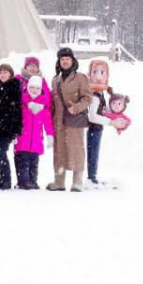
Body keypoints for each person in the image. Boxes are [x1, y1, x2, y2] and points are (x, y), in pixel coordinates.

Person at [49, 47, 92, 191]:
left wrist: (77, 107)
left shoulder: (81, 78)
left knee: (76, 150)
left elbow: (87, 98)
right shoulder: (55, 80)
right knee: (59, 151)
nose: (65, 61)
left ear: (72, 61)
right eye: (62, 59)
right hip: (58, 121)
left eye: (68, 59)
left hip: (75, 120)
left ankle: (77, 182)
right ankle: (59, 182)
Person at [0, 63, 23, 190]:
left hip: (6, 127)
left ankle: (7, 180)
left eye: (5, 72)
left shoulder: (14, 88)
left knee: (2, 153)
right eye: (0, 72)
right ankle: (3, 179)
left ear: (10, 74)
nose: (3, 74)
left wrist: (15, 130)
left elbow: (17, 111)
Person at [85, 58, 122, 187]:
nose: (99, 77)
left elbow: (101, 111)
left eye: (102, 72)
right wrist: (110, 122)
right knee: (93, 152)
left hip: (97, 128)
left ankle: (92, 174)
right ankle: (91, 176)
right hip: (94, 128)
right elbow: (92, 116)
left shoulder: (100, 93)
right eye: (95, 72)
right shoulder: (95, 95)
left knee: (94, 151)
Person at [16, 69, 53, 189]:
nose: (34, 90)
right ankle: (24, 181)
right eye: (32, 88)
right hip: (23, 139)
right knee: (23, 162)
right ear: (27, 88)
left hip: (36, 139)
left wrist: (49, 136)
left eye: (37, 88)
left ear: (41, 90)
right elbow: (16, 121)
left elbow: (47, 123)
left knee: (34, 162)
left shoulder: (43, 107)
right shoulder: (23, 105)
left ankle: (33, 181)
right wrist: (14, 135)